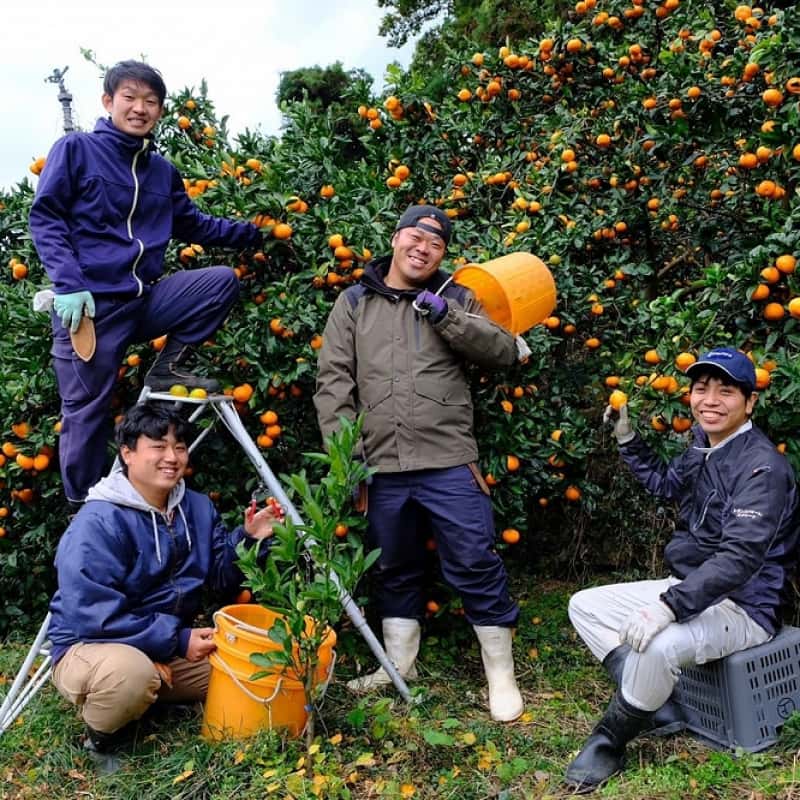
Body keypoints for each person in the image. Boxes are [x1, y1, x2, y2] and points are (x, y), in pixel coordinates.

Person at [313, 204, 524, 722]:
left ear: (442, 254)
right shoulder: (354, 302)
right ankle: (399, 666)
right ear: (395, 238)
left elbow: (503, 351)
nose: (423, 247)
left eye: (436, 242)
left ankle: (501, 675)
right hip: (381, 464)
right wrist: (347, 458)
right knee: (393, 566)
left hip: (447, 458)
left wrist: (446, 315)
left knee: (474, 560)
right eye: (416, 235)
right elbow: (333, 382)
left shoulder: (457, 296)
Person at [565, 347, 800, 792]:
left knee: (657, 647)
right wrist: (627, 439)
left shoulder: (762, 468)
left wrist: (668, 607)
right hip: (691, 587)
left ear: (750, 402)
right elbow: (666, 485)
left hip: (744, 605)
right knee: (585, 606)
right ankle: (657, 706)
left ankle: (610, 741)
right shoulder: (702, 444)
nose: (710, 400)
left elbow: (740, 558)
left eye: (725, 391)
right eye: (701, 389)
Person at [29, 59, 263, 505]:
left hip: (142, 301)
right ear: (108, 101)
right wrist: (68, 283)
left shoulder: (161, 172)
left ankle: (166, 367)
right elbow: (46, 217)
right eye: (130, 97)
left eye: (150, 101)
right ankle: (84, 509)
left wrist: (253, 233)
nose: (140, 108)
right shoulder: (76, 150)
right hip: (92, 309)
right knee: (87, 411)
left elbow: (193, 225)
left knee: (218, 283)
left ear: (160, 110)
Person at [47, 403, 278, 772]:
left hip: (164, 644)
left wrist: (249, 539)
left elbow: (221, 581)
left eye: (179, 447)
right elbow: (93, 615)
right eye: (158, 446)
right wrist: (177, 641)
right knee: (132, 675)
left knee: (249, 671)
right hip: (89, 644)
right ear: (127, 453)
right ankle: (102, 737)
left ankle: (152, 693)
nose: (172, 457)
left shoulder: (196, 508)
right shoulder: (98, 522)